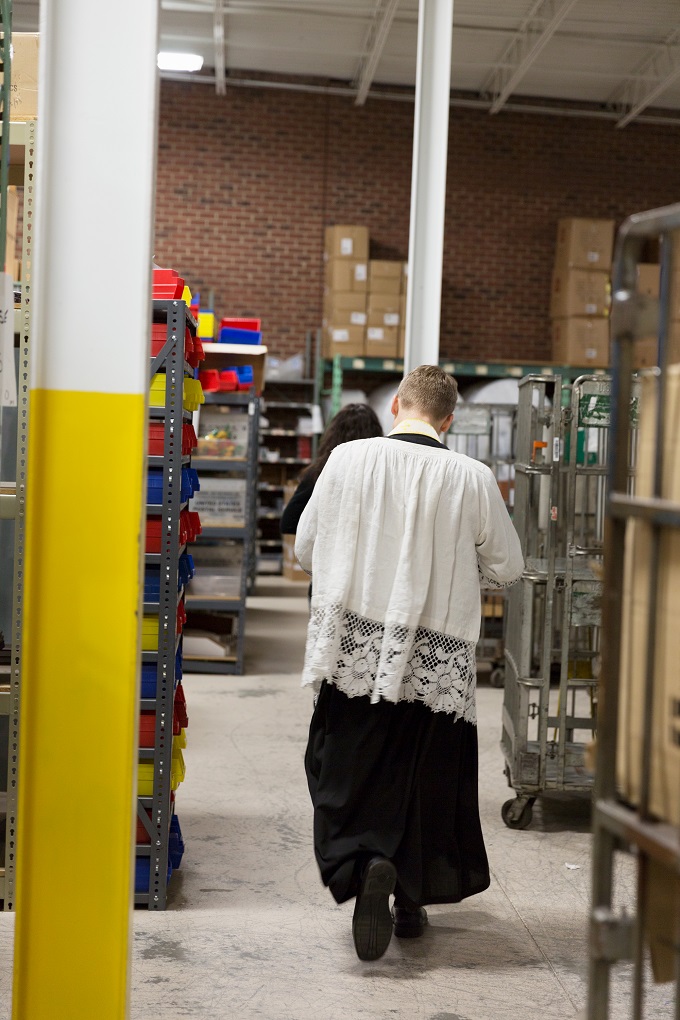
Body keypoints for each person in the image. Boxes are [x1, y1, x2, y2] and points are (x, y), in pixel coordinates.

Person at [295, 364, 524, 962]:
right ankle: (409, 897)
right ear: (451, 419)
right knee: (424, 781)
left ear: (396, 405)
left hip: (355, 652)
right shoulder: (472, 477)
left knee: (341, 767)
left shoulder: (347, 461)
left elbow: (305, 547)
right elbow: (509, 567)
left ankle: (367, 861)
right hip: (435, 657)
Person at [280, 402, 383, 536]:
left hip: (330, 554)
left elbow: (288, 523)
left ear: (333, 435)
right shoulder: (382, 474)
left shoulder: (319, 473)